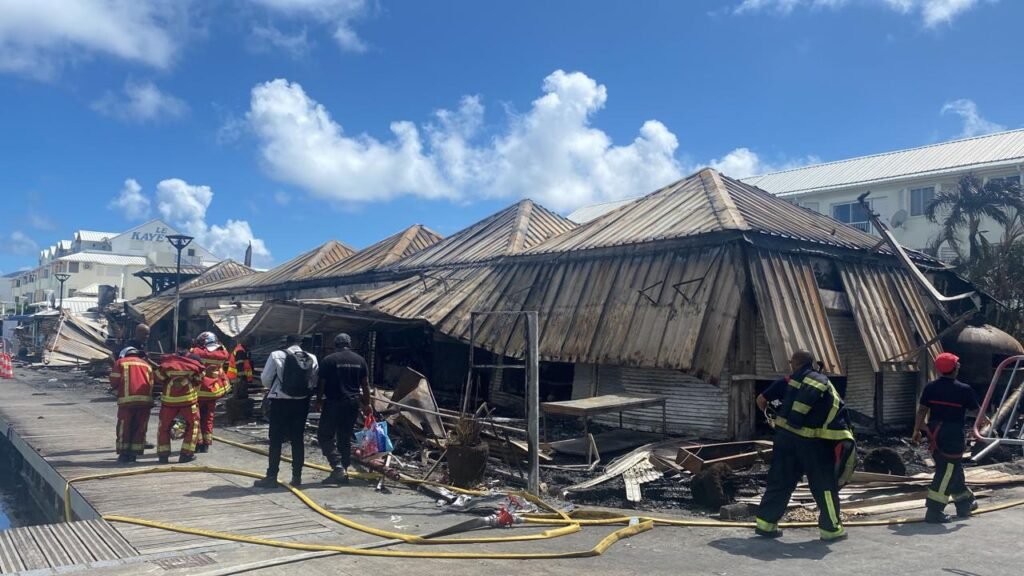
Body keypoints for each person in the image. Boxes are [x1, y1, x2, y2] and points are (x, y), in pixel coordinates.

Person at [754, 350, 854, 542]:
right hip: (815, 444)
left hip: (785, 440)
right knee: (824, 485)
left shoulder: (787, 382)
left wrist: (772, 416)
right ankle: (831, 530)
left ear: (795, 364)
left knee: (780, 481)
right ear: (811, 364)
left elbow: (761, 400)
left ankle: (765, 525)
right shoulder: (823, 383)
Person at [912, 352, 990, 523]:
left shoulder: (930, 387)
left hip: (934, 433)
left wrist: (917, 430)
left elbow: (922, 410)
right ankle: (934, 511)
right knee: (946, 472)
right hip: (952, 434)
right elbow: (978, 413)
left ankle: (965, 503)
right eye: (958, 364)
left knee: (952, 468)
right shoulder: (963, 390)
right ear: (954, 368)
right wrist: (985, 423)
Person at [254, 335, 318, 489]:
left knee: (275, 439)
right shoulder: (312, 357)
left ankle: (272, 476)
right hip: (302, 402)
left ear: (286, 343)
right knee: (297, 439)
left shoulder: (277, 355)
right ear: (300, 344)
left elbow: (266, 379)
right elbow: (313, 381)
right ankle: (297, 477)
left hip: (280, 401)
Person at [316, 333, 371, 485]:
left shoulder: (329, 360)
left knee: (324, 435)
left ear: (336, 344)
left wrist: (319, 400)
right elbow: (365, 385)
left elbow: (322, 383)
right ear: (349, 343)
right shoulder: (360, 360)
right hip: (353, 403)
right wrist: (367, 404)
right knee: (344, 438)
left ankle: (337, 466)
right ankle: (343, 472)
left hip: (333, 402)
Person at [154, 340, 205, 464]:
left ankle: (163, 455)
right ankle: (186, 455)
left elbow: (159, 378)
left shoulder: (168, 361)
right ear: (190, 348)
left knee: (164, 427)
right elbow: (199, 379)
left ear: (177, 347)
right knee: (193, 425)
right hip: (188, 400)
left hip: (169, 401)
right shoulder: (195, 361)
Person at [110, 346, 155, 463]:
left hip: (127, 401)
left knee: (124, 427)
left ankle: (124, 454)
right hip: (145, 401)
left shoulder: (120, 362)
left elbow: (114, 381)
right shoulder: (146, 365)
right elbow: (151, 383)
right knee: (140, 427)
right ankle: (134, 454)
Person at [190, 331, 231, 453]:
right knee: (208, 417)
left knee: (196, 418)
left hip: (198, 390)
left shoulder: (196, 352)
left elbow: (191, 352)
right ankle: (206, 443)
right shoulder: (222, 353)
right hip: (213, 391)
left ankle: (198, 443)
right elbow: (224, 351)